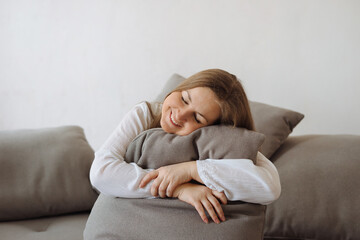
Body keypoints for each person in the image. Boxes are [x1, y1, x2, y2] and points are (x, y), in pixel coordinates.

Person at [90, 69, 281, 224]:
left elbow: (270, 186)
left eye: (197, 118)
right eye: (184, 99)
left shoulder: (219, 140)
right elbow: (101, 171)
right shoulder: (145, 114)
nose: (179, 115)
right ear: (182, 87)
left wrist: (190, 170)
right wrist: (179, 188)